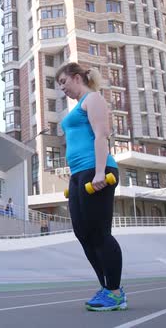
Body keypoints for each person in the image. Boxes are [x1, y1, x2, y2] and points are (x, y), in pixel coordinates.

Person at [57, 62, 126, 311]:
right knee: (83, 234)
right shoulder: (78, 106)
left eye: (63, 82)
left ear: (76, 77)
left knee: (100, 233)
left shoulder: (93, 98)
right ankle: (107, 287)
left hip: (97, 171)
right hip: (78, 174)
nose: (62, 88)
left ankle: (115, 292)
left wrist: (99, 172)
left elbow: (101, 134)